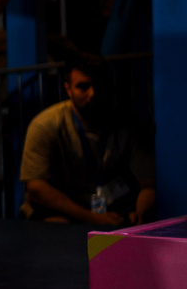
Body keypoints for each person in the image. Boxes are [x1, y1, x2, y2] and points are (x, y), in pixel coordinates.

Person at [19, 55, 155, 227]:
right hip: (60, 212)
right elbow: (36, 188)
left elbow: (148, 183)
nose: (92, 93)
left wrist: (140, 214)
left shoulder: (128, 126)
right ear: (68, 89)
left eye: (98, 85)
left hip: (110, 210)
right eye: (83, 87)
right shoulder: (45, 125)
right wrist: (92, 219)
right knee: (58, 227)